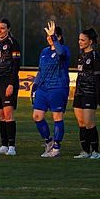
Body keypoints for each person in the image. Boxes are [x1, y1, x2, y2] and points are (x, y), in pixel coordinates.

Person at [31, 20, 70, 158]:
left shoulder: (64, 49)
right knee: (37, 116)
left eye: (52, 36)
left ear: (59, 37)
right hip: (43, 88)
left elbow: (61, 53)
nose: (49, 38)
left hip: (58, 87)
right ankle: (49, 141)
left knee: (57, 117)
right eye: (48, 36)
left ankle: (56, 148)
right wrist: (35, 86)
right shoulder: (44, 51)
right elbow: (40, 70)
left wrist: (54, 38)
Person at [0, 18, 22, 155]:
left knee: (8, 114)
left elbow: (16, 66)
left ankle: (12, 147)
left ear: (8, 29)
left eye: (2, 28)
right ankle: (4, 145)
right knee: (1, 115)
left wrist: (11, 84)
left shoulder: (13, 43)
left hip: (8, 81)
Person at [72, 28, 100, 159]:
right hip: (79, 93)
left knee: (89, 123)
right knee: (81, 123)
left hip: (90, 93)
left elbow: (97, 78)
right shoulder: (81, 55)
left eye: (83, 40)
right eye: (79, 39)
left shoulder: (95, 56)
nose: (80, 42)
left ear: (90, 41)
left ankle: (95, 151)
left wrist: (98, 95)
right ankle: (85, 151)